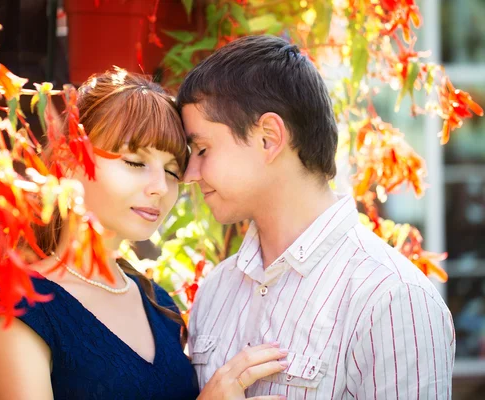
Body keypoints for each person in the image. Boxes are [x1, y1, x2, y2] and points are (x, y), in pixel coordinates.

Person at [0, 67, 289, 400]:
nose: (160, 187)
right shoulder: (17, 306)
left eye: (173, 171)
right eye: (135, 163)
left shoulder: (159, 305)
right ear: (69, 160)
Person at [178, 35, 456, 399]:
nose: (190, 174)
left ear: (268, 138)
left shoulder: (392, 300)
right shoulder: (216, 290)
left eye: (201, 149)